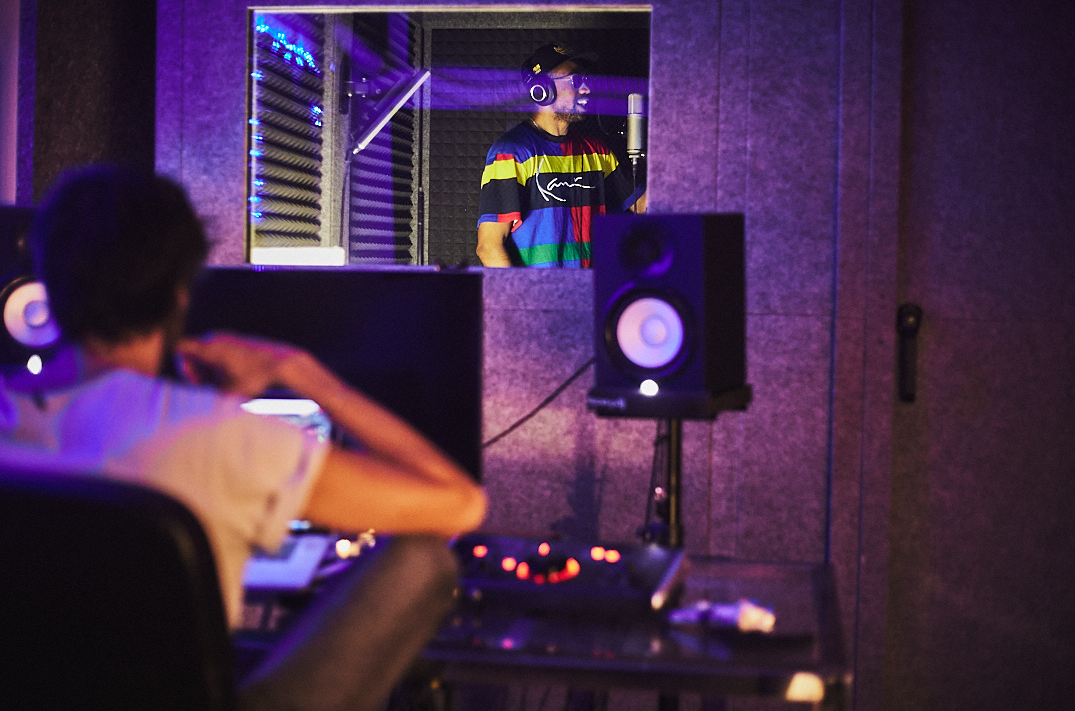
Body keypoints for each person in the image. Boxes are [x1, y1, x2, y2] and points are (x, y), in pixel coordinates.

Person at [0, 164, 488, 711]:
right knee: (423, 557)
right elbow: (461, 504)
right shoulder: (220, 436)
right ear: (179, 296)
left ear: (45, 283)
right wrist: (299, 371)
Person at [476, 42, 646, 268]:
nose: (586, 88)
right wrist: (524, 291)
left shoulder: (597, 152)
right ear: (542, 88)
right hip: (540, 290)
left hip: (591, 289)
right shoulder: (511, 153)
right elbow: (489, 248)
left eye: (586, 79)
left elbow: (645, 206)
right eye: (575, 80)